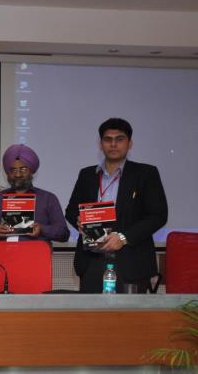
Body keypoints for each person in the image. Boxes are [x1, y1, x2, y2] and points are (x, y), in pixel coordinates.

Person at [65, 118, 168, 293]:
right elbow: (71, 210)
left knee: (130, 312)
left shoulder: (146, 173)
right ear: (100, 144)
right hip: (91, 261)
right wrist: (79, 221)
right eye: (108, 139)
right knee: (89, 311)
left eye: (119, 139)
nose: (113, 144)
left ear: (130, 143)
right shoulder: (87, 175)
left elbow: (158, 215)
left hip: (131, 262)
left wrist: (123, 237)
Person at [0, 144, 69, 243]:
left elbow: (64, 234)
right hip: (4, 252)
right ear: (7, 173)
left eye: (23, 169)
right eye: (13, 170)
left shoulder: (48, 198)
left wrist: (42, 229)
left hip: (36, 252)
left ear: (31, 171)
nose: (18, 174)